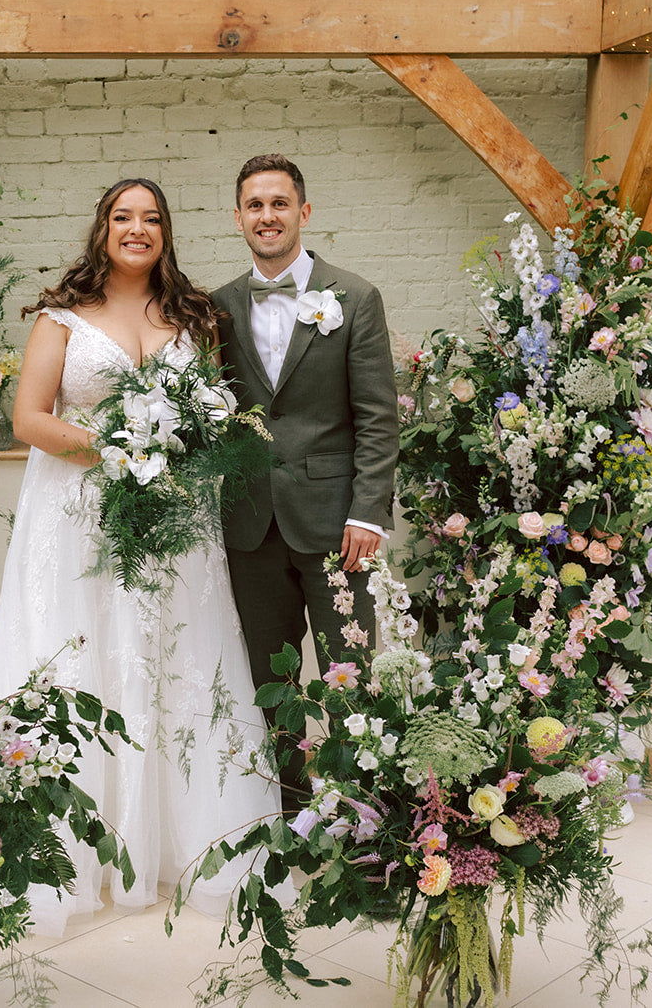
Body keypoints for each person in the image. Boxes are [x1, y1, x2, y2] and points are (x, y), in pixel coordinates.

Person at [0, 178, 278, 936]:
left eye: (150, 219)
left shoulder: (194, 318)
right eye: (122, 217)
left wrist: (180, 445)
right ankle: (65, 851)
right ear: (103, 228)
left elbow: (213, 416)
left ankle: (177, 844)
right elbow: (29, 418)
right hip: (81, 519)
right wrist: (120, 448)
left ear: (166, 232)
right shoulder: (62, 319)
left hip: (175, 522)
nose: (136, 229)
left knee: (172, 664)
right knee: (84, 660)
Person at [212, 154, 399, 812]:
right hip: (250, 526)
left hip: (336, 526)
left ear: (304, 212)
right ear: (238, 218)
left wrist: (369, 512)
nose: (268, 216)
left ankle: (366, 817)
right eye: (255, 205)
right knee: (270, 681)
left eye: (280, 203)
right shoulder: (216, 310)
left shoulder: (355, 296)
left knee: (350, 677)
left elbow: (378, 416)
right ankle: (287, 810)